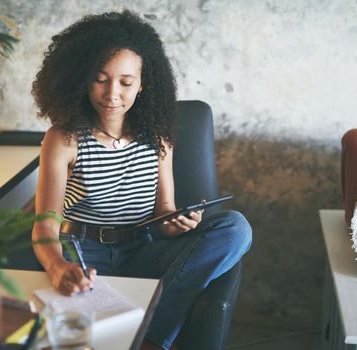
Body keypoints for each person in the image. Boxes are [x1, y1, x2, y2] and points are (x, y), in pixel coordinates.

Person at [31, 10, 252, 350]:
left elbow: (162, 213)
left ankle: (151, 338)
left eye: (126, 82)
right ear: (81, 78)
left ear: (143, 83)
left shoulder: (159, 137)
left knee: (236, 228)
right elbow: (45, 226)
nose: (111, 94)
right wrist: (59, 267)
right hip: (83, 253)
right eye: (100, 79)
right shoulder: (64, 139)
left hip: (142, 251)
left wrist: (175, 222)